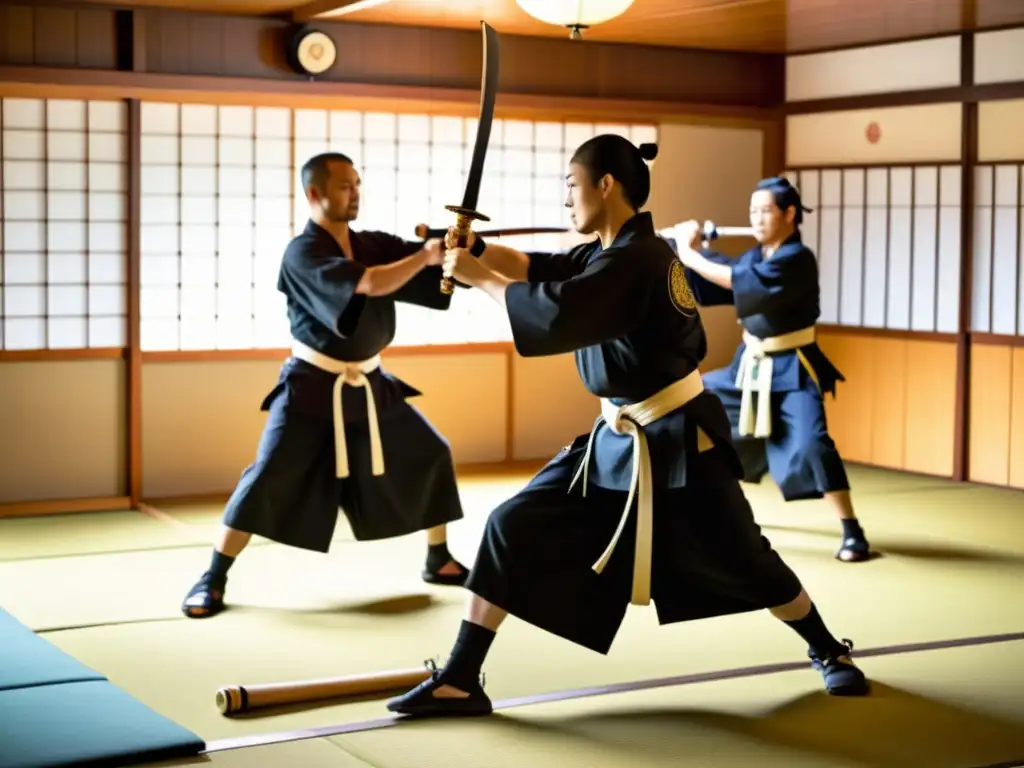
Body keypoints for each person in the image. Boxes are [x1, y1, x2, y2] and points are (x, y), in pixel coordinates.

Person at [384, 135, 870, 717]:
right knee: (510, 524)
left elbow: (558, 310)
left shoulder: (639, 259)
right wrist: (478, 249)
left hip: (679, 439)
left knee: (745, 556)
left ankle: (829, 651)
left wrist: (477, 275)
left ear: (605, 185)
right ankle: (461, 677)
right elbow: (539, 268)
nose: (566, 199)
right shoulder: (609, 252)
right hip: (617, 436)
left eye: (572, 185)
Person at [181, 151, 471, 619]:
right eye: (343, 186)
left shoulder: (372, 243)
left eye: (357, 183)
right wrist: (425, 255)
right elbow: (371, 284)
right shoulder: (303, 252)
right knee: (267, 474)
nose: (354, 192)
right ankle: (212, 576)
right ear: (314, 193)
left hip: (371, 382)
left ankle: (438, 559)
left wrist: (457, 250)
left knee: (431, 451)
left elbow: (434, 272)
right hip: (311, 386)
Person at [667, 178, 871, 563]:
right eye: (752, 211)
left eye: (765, 210)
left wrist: (689, 253)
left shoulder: (796, 258)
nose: (757, 218)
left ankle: (851, 530)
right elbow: (725, 277)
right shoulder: (756, 256)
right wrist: (683, 253)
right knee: (692, 404)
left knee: (812, 443)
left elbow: (740, 281)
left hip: (793, 366)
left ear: (789, 213)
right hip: (749, 366)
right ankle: (712, 509)